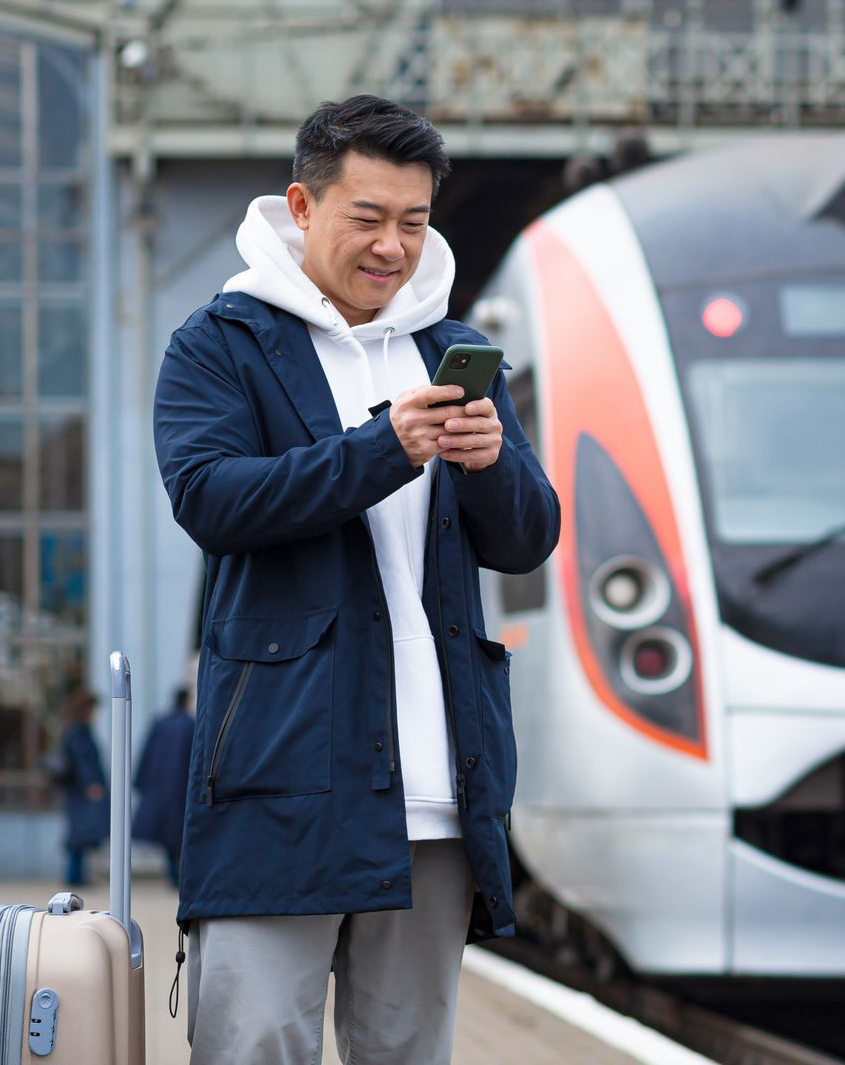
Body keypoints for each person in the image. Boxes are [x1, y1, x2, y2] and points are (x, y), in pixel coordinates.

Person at [153, 94, 560, 1065]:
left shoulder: (449, 351)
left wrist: (493, 458)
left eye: (414, 222)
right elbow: (211, 498)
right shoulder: (220, 344)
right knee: (256, 1043)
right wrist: (383, 447)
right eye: (367, 218)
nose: (393, 246)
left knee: (408, 1051)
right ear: (302, 205)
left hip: (438, 788)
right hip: (277, 779)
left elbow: (530, 536)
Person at [133, 687, 195, 887]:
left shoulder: (160, 724)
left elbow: (147, 754)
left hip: (161, 788)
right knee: (180, 833)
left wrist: (141, 783)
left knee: (168, 835)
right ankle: (178, 875)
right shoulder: (189, 725)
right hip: (182, 788)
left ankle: (172, 873)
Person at [59, 688, 109, 887]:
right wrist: (92, 783)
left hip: (78, 789)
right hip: (82, 790)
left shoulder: (75, 729)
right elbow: (83, 760)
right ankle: (74, 876)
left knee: (80, 833)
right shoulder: (78, 731)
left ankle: (76, 875)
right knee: (80, 833)